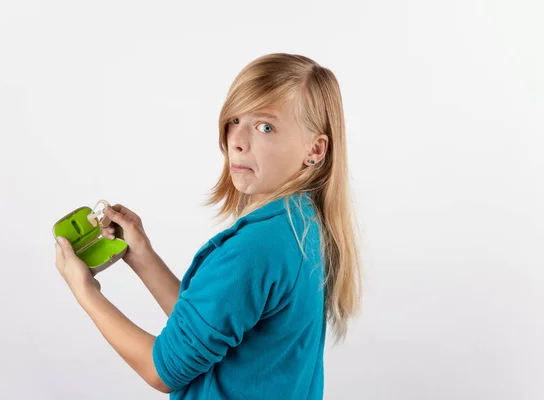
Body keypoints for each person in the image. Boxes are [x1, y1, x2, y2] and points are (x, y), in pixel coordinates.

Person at [54, 52, 363, 399]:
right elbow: (211, 325)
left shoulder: (255, 248)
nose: (237, 140)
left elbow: (163, 370)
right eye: (234, 119)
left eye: (265, 126)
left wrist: (84, 290)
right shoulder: (301, 222)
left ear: (316, 150)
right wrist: (142, 256)